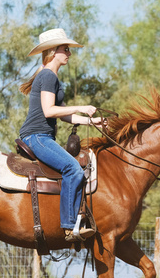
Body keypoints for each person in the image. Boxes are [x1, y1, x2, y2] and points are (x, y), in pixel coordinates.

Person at [19, 28, 103, 242]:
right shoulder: (48, 75)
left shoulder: (50, 76)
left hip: (41, 136)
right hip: (38, 137)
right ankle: (69, 227)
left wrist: (91, 121)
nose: (69, 53)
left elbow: (64, 116)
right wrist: (82, 106)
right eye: (65, 49)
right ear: (53, 51)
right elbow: (49, 111)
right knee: (73, 168)